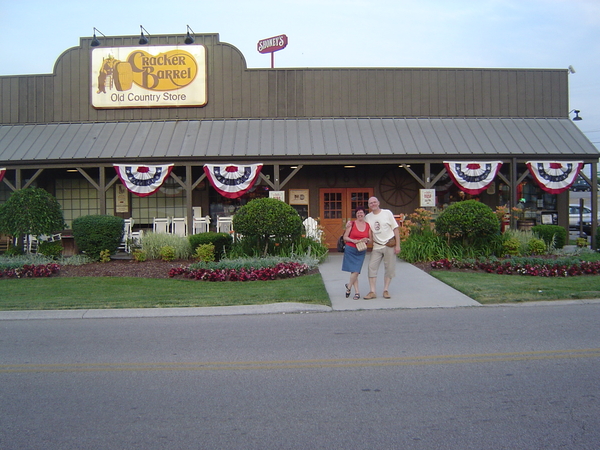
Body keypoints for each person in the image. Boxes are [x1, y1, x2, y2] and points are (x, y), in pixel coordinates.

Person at [364, 197, 400, 299]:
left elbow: (396, 229)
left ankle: (386, 290)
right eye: (370, 203)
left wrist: (398, 245)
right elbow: (366, 231)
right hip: (377, 246)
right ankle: (372, 291)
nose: (373, 204)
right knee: (371, 267)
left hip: (389, 244)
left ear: (378, 203)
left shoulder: (387, 213)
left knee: (389, 268)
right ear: (369, 205)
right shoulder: (368, 217)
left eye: (374, 202)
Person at [341, 206, 371, 300]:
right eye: (358, 213)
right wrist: (354, 241)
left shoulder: (367, 225)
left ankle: (349, 286)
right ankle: (357, 292)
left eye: (361, 213)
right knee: (354, 271)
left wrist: (367, 240)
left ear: (364, 214)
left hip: (361, 250)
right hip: (351, 249)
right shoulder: (352, 224)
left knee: (356, 271)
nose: (360, 214)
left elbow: (370, 239)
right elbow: (345, 237)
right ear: (356, 215)